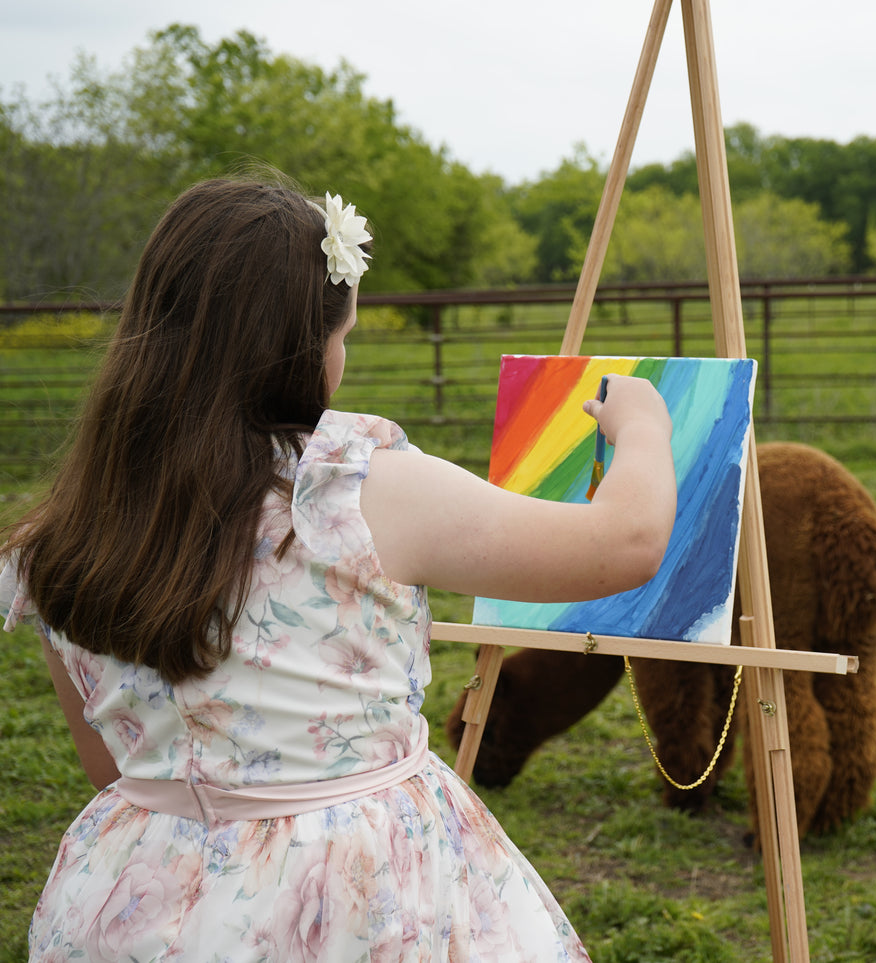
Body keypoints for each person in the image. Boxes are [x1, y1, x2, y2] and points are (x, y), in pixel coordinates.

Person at [0, 177, 676, 962]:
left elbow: (107, 760)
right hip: (355, 894)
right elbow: (624, 541)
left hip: (129, 895)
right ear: (297, 344)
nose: (341, 354)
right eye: (342, 334)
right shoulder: (353, 486)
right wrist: (643, 426)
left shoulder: (60, 532)